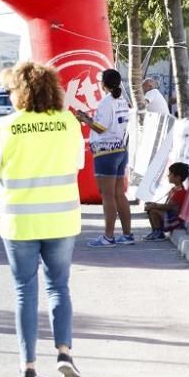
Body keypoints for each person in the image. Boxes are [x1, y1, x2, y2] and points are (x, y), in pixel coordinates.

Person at [0, 62, 84, 377]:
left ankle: (28, 364)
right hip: (61, 220)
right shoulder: (69, 123)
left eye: (11, 90)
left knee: (25, 289)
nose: (9, 95)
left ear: (22, 92)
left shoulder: (5, 127)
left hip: (20, 222)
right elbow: (78, 164)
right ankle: (64, 352)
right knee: (59, 287)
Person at [76, 68, 134, 247]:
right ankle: (127, 234)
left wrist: (84, 119)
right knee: (119, 194)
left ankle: (109, 237)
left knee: (107, 195)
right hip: (120, 149)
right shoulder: (122, 100)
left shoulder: (106, 102)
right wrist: (88, 118)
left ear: (104, 83)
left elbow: (101, 128)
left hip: (106, 152)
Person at [143, 162, 189, 241]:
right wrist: (153, 204)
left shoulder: (181, 192)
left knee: (153, 210)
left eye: (170, 174)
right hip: (171, 216)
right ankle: (155, 231)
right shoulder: (174, 189)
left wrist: (154, 205)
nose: (168, 176)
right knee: (151, 209)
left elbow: (169, 207)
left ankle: (159, 234)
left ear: (178, 177)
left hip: (176, 221)